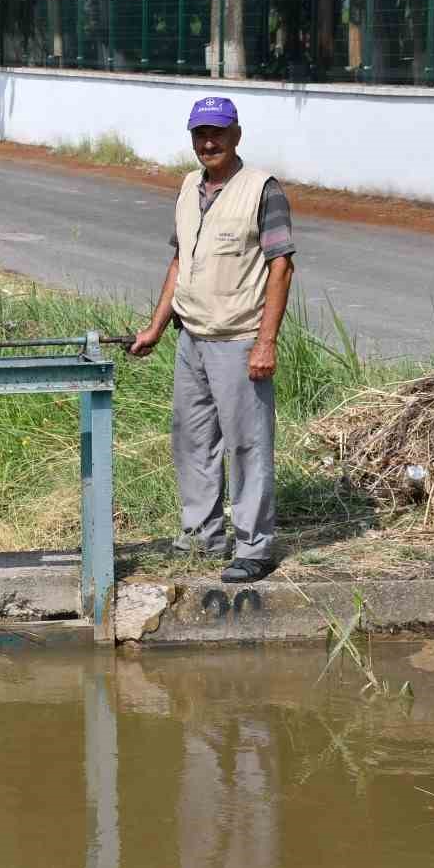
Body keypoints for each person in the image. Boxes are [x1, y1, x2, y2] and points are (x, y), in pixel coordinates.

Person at [128, 96, 296, 585]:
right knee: (192, 440)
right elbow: (180, 262)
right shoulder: (188, 188)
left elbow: (281, 266)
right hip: (192, 339)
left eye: (217, 134)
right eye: (200, 134)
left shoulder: (262, 190)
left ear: (236, 136)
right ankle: (202, 533)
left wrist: (266, 342)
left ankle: (254, 546)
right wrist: (156, 328)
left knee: (247, 446)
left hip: (240, 340)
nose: (208, 143)